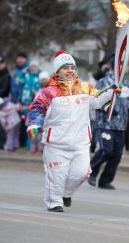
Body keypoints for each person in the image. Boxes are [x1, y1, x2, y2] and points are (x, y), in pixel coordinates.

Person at [27, 50, 114, 212]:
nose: (70, 70)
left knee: (81, 173)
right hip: (56, 144)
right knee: (56, 176)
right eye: (66, 67)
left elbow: (98, 99)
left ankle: (66, 193)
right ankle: (54, 202)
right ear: (57, 71)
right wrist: (34, 126)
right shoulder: (49, 92)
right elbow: (37, 109)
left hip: (80, 143)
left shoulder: (85, 88)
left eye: (72, 67)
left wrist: (112, 91)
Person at [88, 55, 129, 190]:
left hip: (121, 125)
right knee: (106, 150)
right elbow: (96, 99)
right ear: (115, 66)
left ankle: (105, 180)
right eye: (123, 64)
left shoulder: (127, 85)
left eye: (126, 65)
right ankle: (91, 172)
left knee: (117, 155)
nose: (125, 68)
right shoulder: (104, 82)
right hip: (106, 123)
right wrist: (107, 108)